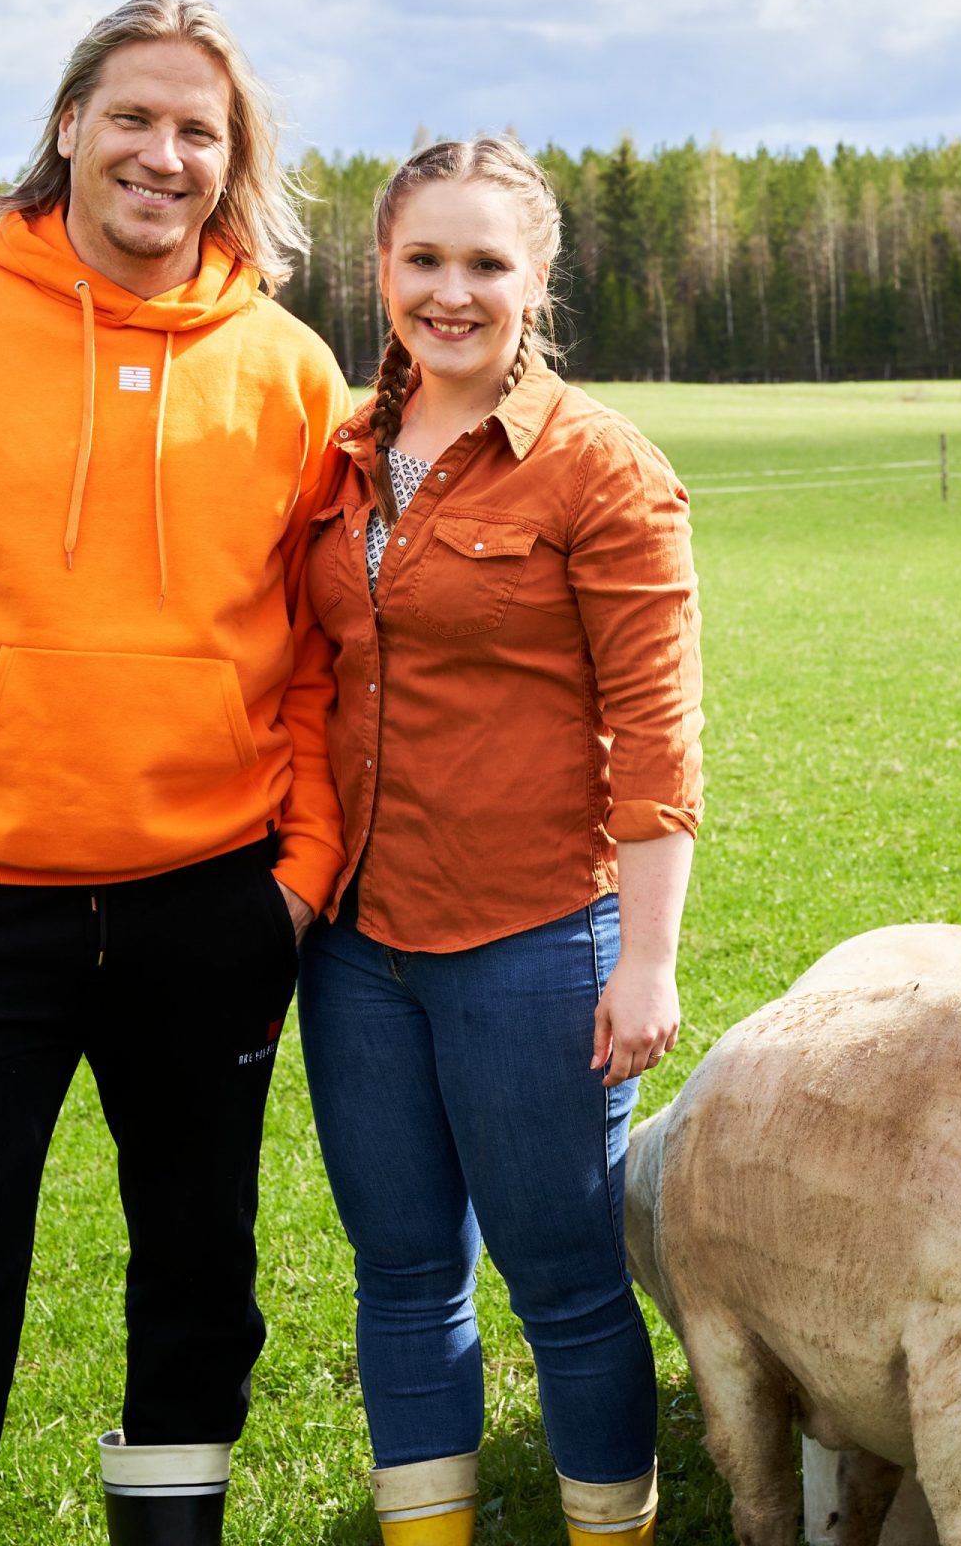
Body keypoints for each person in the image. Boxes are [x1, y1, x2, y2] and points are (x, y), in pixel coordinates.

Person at [0, 0, 351, 1546]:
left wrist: (295, 886)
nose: (161, 155)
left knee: (199, 1281)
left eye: (197, 131)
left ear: (232, 164)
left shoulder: (294, 373)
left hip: (209, 907)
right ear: (67, 127)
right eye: (133, 117)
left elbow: (319, 658)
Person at [298, 136, 703, 1546]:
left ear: (536, 279)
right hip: (354, 949)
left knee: (565, 1284)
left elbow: (656, 738)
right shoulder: (342, 451)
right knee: (404, 1273)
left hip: (531, 940)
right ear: (384, 270)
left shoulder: (605, 471)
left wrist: (645, 964)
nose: (451, 293)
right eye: (424, 261)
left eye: (485, 264)